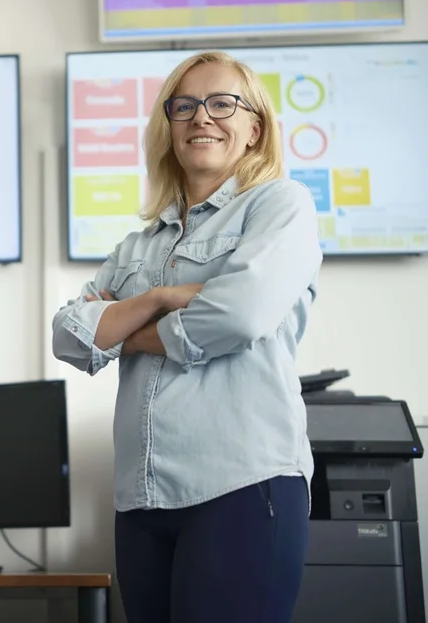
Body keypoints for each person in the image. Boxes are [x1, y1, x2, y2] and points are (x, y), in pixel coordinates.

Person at [52, 50, 322, 623]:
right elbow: (69, 337)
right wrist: (157, 297)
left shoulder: (280, 206)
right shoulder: (138, 245)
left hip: (241, 486)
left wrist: (122, 327)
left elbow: (241, 313)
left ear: (255, 128)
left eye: (223, 103)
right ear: (168, 128)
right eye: (185, 106)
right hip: (142, 498)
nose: (202, 117)